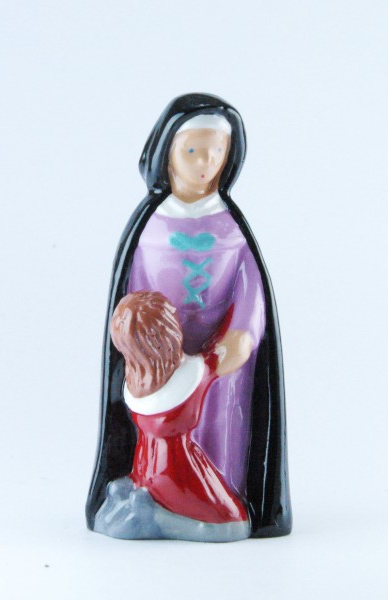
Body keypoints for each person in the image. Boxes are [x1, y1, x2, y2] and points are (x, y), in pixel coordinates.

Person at [87, 93, 292, 539]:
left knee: (220, 435)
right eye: (193, 150)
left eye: (217, 151)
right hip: (161, 363)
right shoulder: (151, 225)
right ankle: (159, 500)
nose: (205, 163)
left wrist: (240, 335)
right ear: (167, 153)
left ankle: (217, 502)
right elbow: (133, 293)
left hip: (222, 367)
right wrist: (145, 347)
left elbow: (250, 289)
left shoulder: (231, 227)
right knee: (160, 439)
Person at [93, 291, 250, 541]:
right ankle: (155, 518)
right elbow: (235, 348)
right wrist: (241, 316)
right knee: (231, 522)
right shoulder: (193, 373)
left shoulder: (135, 381)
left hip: (143, 467)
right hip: (177, 474)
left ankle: (139, 509)